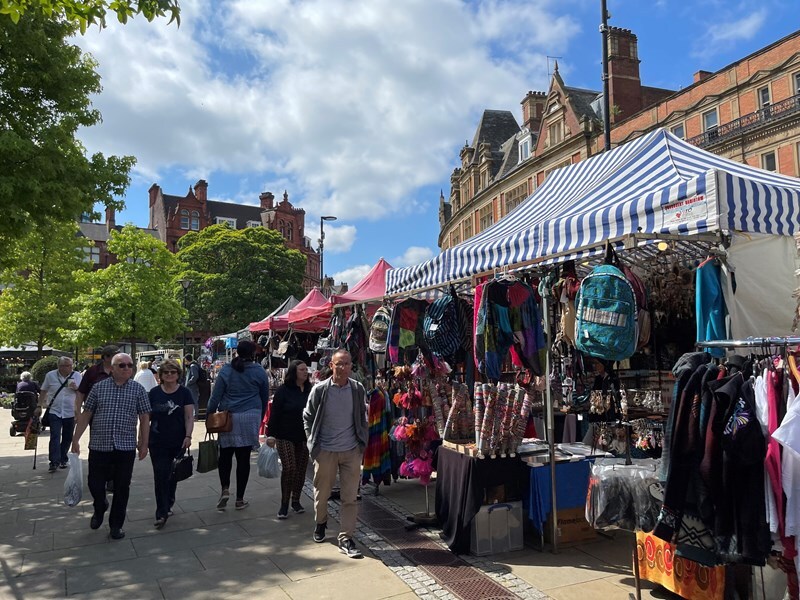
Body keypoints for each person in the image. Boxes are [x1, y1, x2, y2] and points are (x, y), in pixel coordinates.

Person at [71, 353, 151, 540]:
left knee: (122, 487)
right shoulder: (98, 388)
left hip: (125, 446)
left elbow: (145, 417)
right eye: (122, 365)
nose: (127, 368)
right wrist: (75, 439)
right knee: (94, 483)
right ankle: (100, 506)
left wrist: (144, 443)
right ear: (112, 368)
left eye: (130, 365)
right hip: (100, 445)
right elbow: (87, 413)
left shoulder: (138, 390)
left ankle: (116, 525)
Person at [303, 349, 368, 558]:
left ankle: (346, 538)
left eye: (347, 364)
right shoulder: (320, 390)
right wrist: (313, 445)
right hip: (326, 451)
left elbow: (362, 417)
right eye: (339, 364)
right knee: (322, 495)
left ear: (351, 366)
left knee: (350, 497)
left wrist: (361, 443)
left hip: (351, 451)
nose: (343, 368)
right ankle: (321, 522)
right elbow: (308, 417)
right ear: (331, 366)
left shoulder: (357, 389)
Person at [207, 340, 269, 512]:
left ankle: (225, 489)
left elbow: (216, 395)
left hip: (229, 417)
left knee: (225, 456)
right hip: (250, 417)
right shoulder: (259, 371)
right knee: (243, 459)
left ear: (236, 352)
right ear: (253, 354)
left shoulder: (227, 370)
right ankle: (240, 499)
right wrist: (260, 415)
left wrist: (209, 414)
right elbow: (264, 397)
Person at [148, 359, 194, 529]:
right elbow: (147, 418)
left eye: (172, 372)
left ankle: (169, 501)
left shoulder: (185, 393)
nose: (169, 375)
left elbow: (189, 416)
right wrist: (143, 439)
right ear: (160, 375)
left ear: (178, 375)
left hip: (178, 440)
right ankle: (161, 512)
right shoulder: (153, 393)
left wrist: (188, 436)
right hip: (157, 441)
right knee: (160, 475)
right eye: (166, 372)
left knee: (172, 475)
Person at [266, 360, 311, 519]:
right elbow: (275, 414)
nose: (305, 372)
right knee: (290, 468)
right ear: (294, 372)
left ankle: (296, 500)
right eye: (302, 370)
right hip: (284, 435)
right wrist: (270, 435)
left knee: (301, 470)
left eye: (306, 369)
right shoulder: (283, 391)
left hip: (304, 436)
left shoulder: (310, 390)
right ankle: (284, 503)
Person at [39, 357, 82, 472]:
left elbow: (81, 393)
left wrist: (76, 388)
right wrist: (39, 405)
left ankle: (63, 458)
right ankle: (54, 461)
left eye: (71, 365)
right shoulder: (50, 375)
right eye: (68, 365)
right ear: (60, 367)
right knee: (55, 436)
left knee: (67, 437)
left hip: (70, 412)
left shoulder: (77, 375)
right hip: (54, 411)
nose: (70, 368)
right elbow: (43, 390)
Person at [75, 345, 119, 415]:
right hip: (94, 412)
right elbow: (81, 392)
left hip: (114, 411)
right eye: (116, 356)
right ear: (106, 357)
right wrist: (77, 412)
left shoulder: (120, 371)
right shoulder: (93, 371)